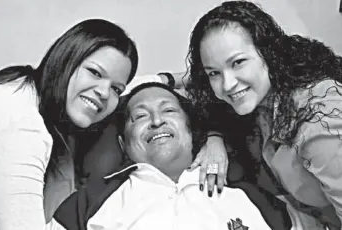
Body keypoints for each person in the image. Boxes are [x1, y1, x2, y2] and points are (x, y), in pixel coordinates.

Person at [185, 1, 342, 229]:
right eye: (214, 73)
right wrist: (214, 137)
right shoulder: (268, 95)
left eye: (238, 62)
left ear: (267, 53)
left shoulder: (320, 122)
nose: (228, 84)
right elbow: (195, 85)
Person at [47, 82, 272, 230]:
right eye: (140, 115)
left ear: (190, 131)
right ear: (123, 144)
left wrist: (215, 137)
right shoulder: (87, 204)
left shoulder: (251, 197)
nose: (156, 121)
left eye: (169, 110)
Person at [0, 18, 138, 230]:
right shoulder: (23, 126)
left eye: (116, 89)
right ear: (65, 59)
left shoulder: (21, 85)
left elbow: (136, 88)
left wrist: (169, 79)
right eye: (95, 73)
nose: (104, 93)